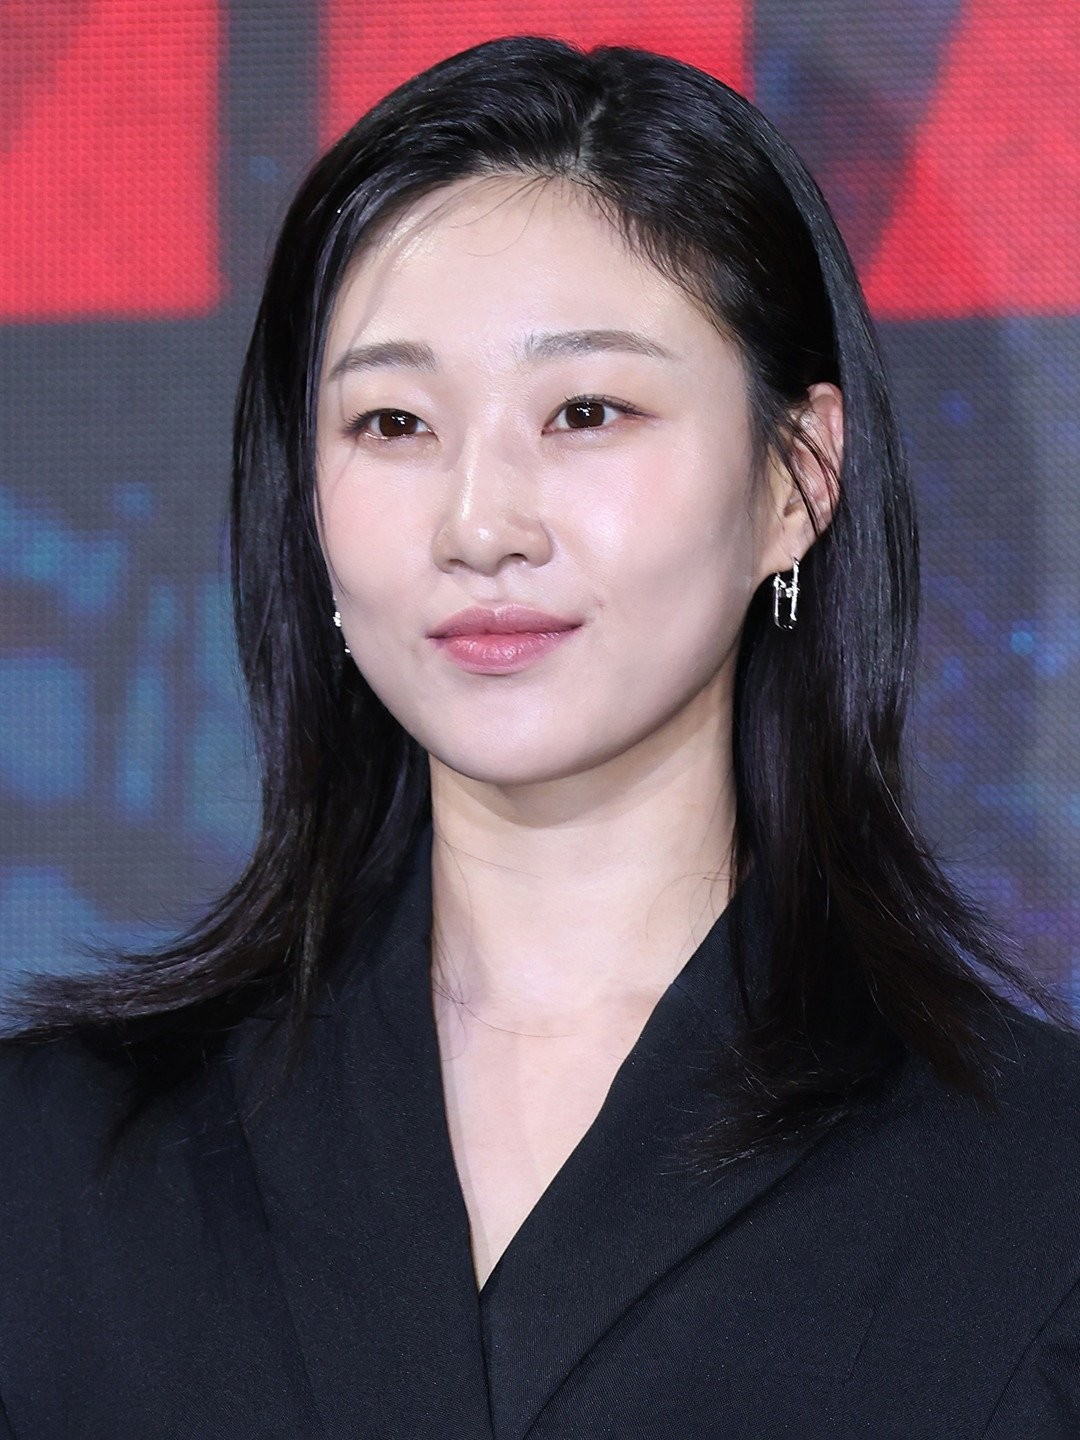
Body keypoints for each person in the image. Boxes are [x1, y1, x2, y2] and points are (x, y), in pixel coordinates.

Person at [1, 34, 1078, 1438]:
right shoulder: (59, 1169)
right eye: (394, 422)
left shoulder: (1034, 1193)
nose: (479, 524)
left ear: (797, 478)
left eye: (585, 412)